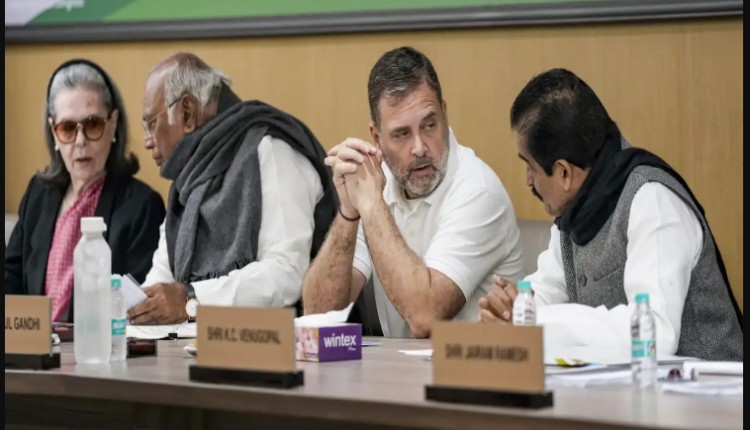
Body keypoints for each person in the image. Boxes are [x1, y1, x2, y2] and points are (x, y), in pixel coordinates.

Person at [479, 69, 743, 361]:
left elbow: (654, 333)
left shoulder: (652, 200)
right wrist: (511, 310)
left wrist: (535, 321)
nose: (528, 179)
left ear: (564, 173)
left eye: (530, 166)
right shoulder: (574, 211)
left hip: (712, 386)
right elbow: (548, 290)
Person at [302, 47, 525, 339]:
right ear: (377, 137)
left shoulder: (477, 191)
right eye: (402, 134)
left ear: (445, 114)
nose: (420, 148)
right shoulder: (377, 186)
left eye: (429, 125)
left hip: (475, 365)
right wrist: (348, 212)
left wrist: (370, 205)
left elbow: (424, 316)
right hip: (397, 366)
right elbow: (318, 315)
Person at [128, 53, 337, 325]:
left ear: (187, 112)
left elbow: (287, 274)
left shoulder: (270, 151)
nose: (147, 141)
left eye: (151, 124)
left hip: (279, 345)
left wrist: (191, 300)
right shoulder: (187, 181)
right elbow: (163, 277)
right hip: (196, 345)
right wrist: (136, 308)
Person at [5, 59, 166, 323]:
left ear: (113, 124)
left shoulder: (143, 206)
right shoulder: (37, 195)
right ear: (54, 133)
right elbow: (10, 279)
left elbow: (139, 307)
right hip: (34, 344)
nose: (80, 141)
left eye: (92, 125)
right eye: (68, 128)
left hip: (103, 344)